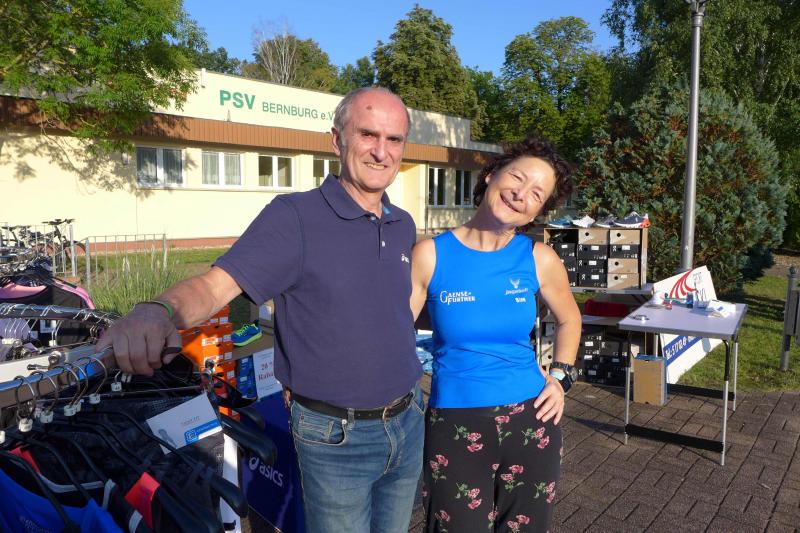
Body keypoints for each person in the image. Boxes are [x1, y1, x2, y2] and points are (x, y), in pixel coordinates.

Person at [96, 87, 425, 533]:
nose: (381, 152)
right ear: (337, 139)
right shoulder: (295, 217)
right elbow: (216, 285)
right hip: (337, 436)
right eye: (368, 134)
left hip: (408, 418)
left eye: (394, 139)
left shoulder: (402, 223)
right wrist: (158, 310)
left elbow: (387, 308)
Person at [410, 135, 581, 532]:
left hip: (532, 420)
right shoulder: (430, 254)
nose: (521, 194)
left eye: (537, 193)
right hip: (455, 424)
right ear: (491, 174)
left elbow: (570, 320)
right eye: (518, 178)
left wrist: (561, 378)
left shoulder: (538, 258)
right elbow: (394, 334)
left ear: (539, 210)